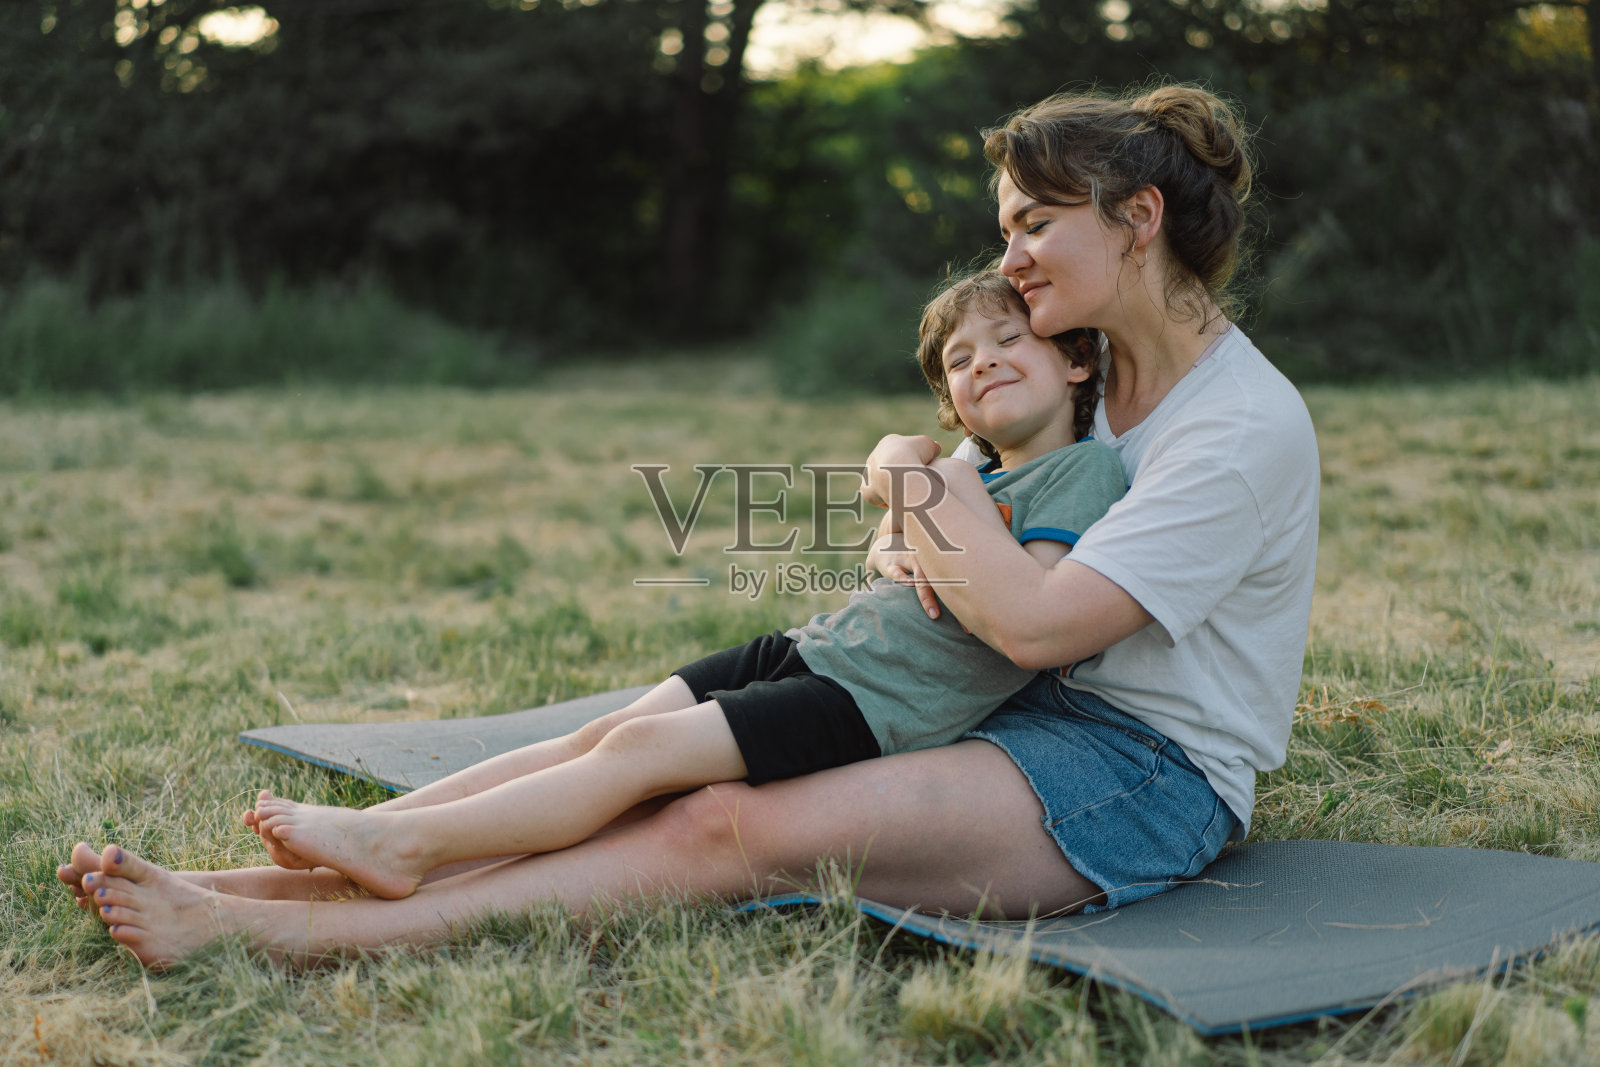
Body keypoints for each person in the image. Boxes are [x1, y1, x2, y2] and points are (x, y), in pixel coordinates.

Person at [60, 82, 1320, 972]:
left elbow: (1034, 619)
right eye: (1007, 230)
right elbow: (942, 524)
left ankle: (295, 931)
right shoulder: (1082, 365)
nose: (1016, 256)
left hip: (1132, 769)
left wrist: (901, 474)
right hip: (990, 697)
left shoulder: (1235, 429)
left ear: (1138, 219)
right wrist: (906, 496)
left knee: (717, 823)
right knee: (637, 745)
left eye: (1035, 224)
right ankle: (278, 880)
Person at [216, 270, 1125, 903]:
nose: (983, 361)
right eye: (960, 361)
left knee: (639, 753)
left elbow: (1029, 600)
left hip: (873, 704)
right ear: (954, 402)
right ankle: (368, 835)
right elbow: (901, 522)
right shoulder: (974, 466)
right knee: (603, 734)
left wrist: (930, 506)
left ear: (1077, 362)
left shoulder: (1081, 473)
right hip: (816, 648)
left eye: (1009, 340)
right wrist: (903, 524)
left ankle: (403, 848)